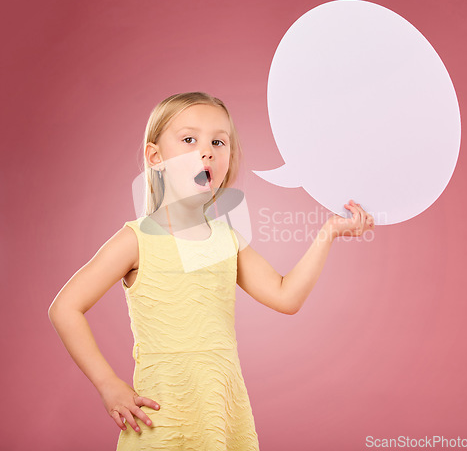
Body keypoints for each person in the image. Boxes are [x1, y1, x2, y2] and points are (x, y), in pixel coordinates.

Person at [48, 91, 374, 450]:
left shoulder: (228, 239)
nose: (207, 151)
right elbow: (65, 308)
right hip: (163, 416)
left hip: (221, 413)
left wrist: (328, 233)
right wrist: (108, 384)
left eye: (218, 142)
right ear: (155, 157)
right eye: (189, 139)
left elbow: (286, 296)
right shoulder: (136, 239)